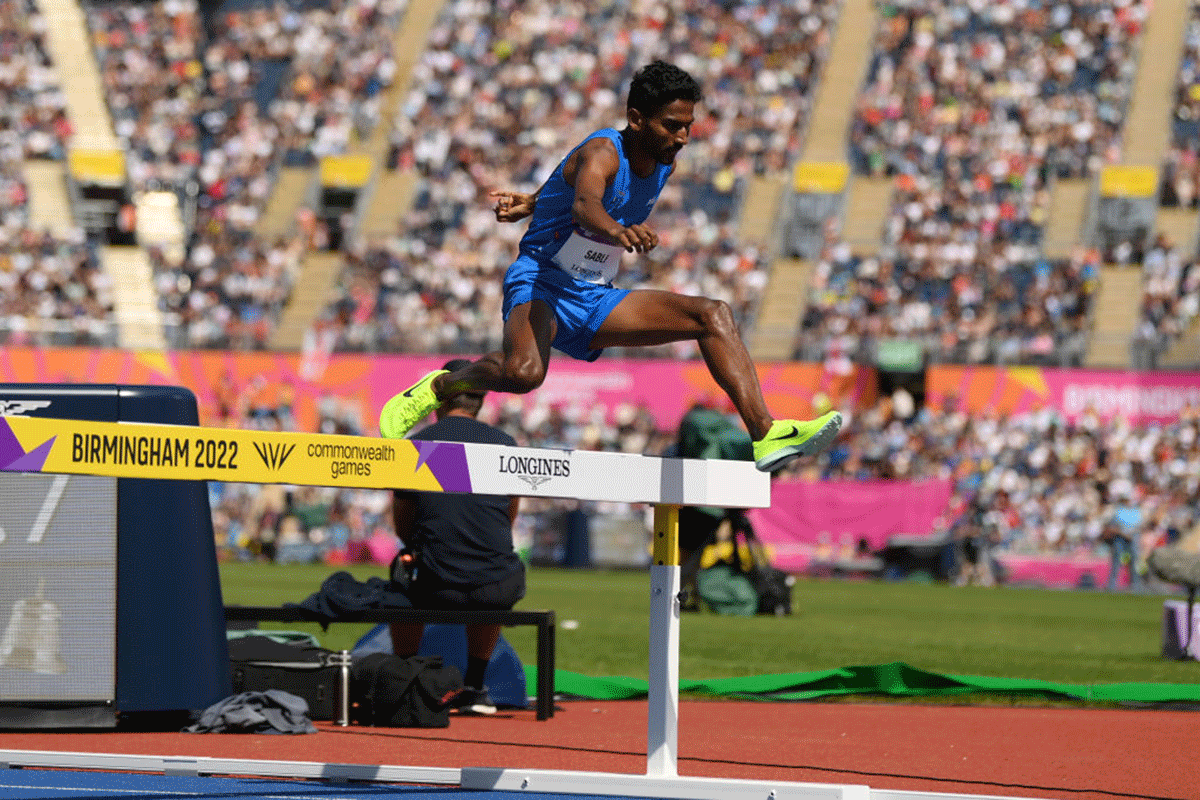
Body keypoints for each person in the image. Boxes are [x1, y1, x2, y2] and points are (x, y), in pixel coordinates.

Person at [379, 60, 841, 472]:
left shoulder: (664, 162)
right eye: (672, 125)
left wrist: (534, 202)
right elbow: (584, 202)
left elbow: (567, 184)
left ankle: (765, 434)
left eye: (689, 126)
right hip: (543, 280)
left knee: (713, 314)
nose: (682, 137)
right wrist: (617, 231)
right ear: (636, 119)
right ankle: (441, 387)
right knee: (522, 374)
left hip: (594, 295)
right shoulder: (603, 152)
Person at [387, 359, 526, 715]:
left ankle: (405, 680)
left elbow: (404, 528)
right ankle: (476, 687)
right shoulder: (505, 444)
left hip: (435, 581)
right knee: (491, 563)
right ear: (479, 401)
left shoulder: (416, 444)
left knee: (402, 571)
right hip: (498, 584)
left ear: (438, 398)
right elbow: (507, 518)